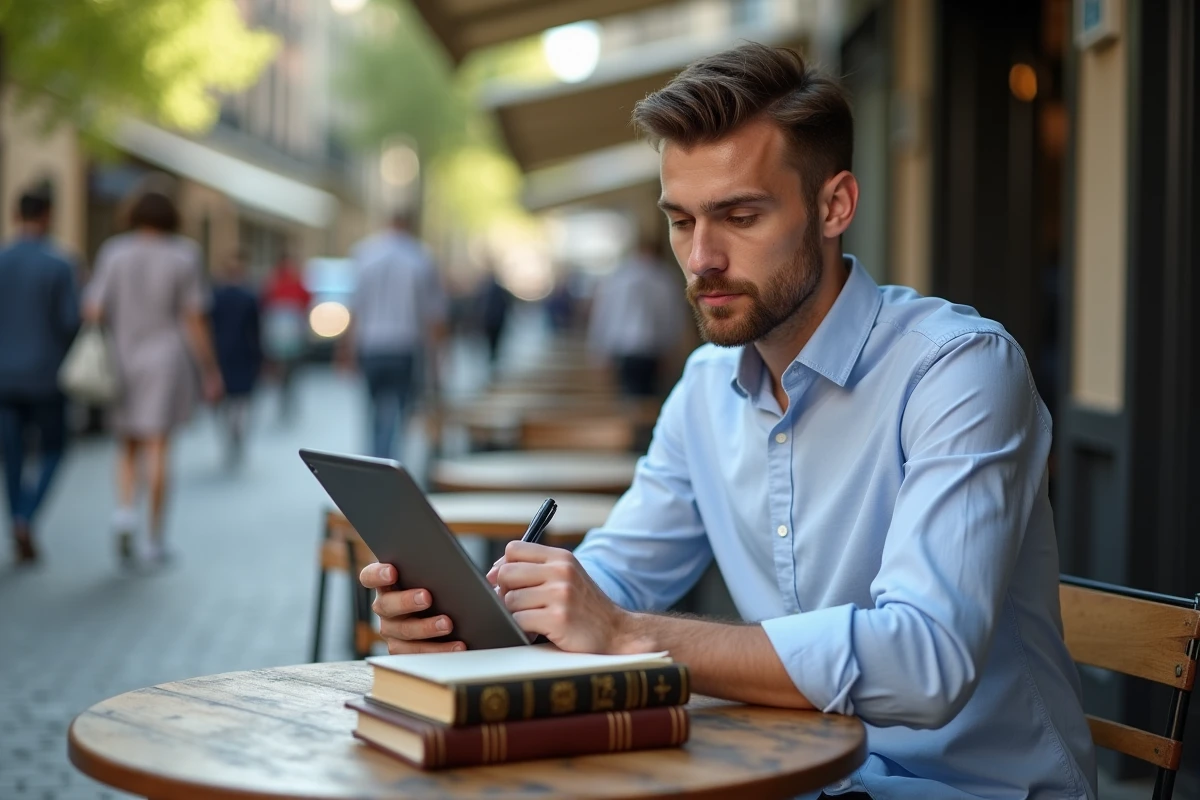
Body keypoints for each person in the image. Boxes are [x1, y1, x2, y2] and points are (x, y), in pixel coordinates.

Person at [360, 43, 1097, 799]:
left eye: (739, 215)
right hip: (785, 773)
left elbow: (925, 660)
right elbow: (615, 575)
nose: (701, 257)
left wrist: (628, 634)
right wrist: (480, 621)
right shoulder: (706, 387)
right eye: (680, 222)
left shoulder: (960, 369)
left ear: (834, 205)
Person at [84, 191, 223, 566]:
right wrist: (210, 370)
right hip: (165, 360)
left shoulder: (114, 252)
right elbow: (194, 317)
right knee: (158, 446)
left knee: (127, 444)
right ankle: (154, 539)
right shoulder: (184, 254)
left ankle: (124, 513)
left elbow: (93, 307)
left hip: (121, 357)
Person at [0, 184, 80, 564]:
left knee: (12, 454)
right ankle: (26, 516)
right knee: (53, 450)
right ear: (47, 215)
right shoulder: (60, 264)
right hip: (47, 375)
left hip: (4, 377)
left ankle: (17, 516)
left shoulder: (2, 260)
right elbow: (70, 322)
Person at [339, 211, 447, 461]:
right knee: (402, 411)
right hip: (404, 347)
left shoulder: (364, 253)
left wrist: (345, 349)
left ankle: (375, 459)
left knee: (373, 411)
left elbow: (355, 307)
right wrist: (438, 360)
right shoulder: (420, 257)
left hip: (371, 346)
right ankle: (391, 461)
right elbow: (434, 316)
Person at [587, 237, 688, 396]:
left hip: (625, 347)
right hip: (652, 349)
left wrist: (600, 352)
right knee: (649, 396)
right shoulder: (665, 278)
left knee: (627, 396)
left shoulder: (618, 277)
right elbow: (673, 319)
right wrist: (673, 350)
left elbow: (604, 316)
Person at [210, 250, 262, 468]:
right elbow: (257, 331)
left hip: (222, 354)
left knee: (224, 401)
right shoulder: (249, 296)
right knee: (241, 400)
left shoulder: (215, 296)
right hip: (244, 354)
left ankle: (231, 433)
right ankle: (237, 432)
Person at [260, 252, 311, 422]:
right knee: (282, 369)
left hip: (292, 333)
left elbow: (306, 302)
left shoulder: (295, 282)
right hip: (279, 334)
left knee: (291, 369)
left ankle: (288, 399)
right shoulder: (274, 282)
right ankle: (284, 399)